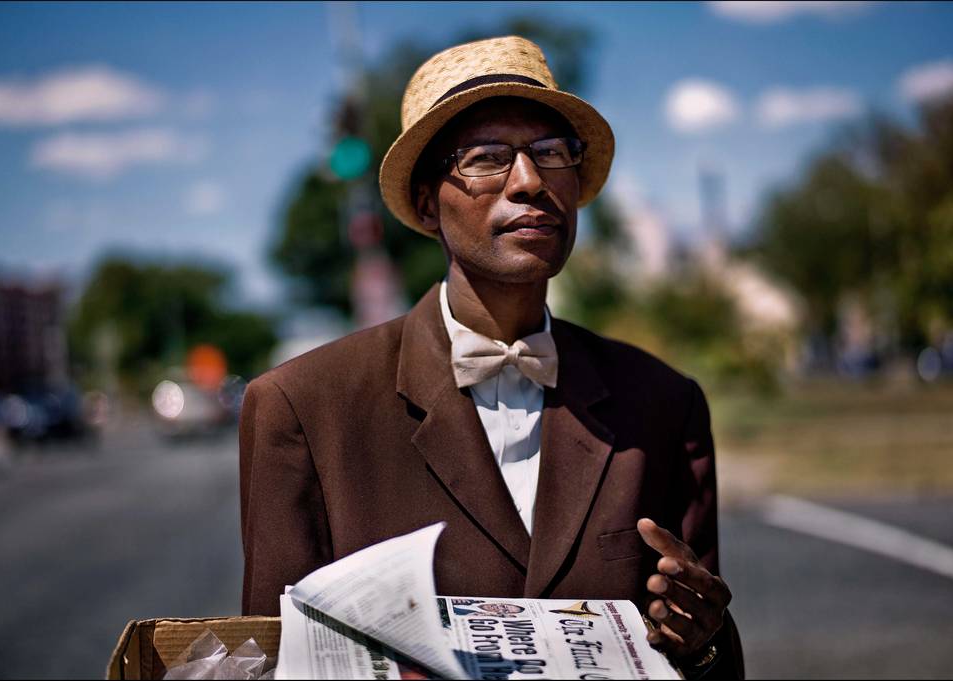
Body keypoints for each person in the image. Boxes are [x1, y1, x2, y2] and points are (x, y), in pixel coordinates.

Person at [240, 36, 744, 678]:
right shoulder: (304, 409)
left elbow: (707, 656)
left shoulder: (663, 405)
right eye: (485, 159)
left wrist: (700, 641)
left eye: (552, 154)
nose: (530, 182)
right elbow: (266, 661)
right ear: (427, 203)